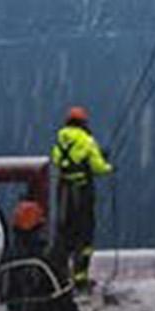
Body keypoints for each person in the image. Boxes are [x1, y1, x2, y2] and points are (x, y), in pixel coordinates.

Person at [50, 105, 113, 291]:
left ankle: (59, 276)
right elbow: (98, 167)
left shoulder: (61, 140)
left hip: (64, 193)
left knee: (64, 233)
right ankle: (80, 278)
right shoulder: (87, 141)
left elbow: (57, 160)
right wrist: (109, 166)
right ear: (84, 122)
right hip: (83, 193)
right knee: (84, 236)